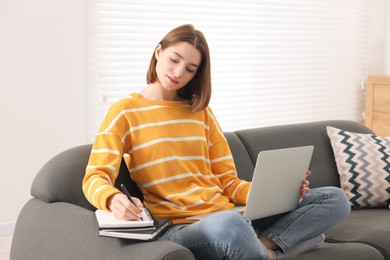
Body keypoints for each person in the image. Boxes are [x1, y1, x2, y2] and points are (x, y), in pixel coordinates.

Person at [83, 24, 351, 259]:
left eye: (189, 69)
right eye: (174, 60)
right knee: (230, 227)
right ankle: (278, 250)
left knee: (335, 198)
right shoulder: (124, 112)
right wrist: (112, 198)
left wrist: (281, 192)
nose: (178, 73)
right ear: (157, 52)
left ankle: (259, 245)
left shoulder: (201, 112)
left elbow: (228, 183)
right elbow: (94, 177)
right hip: (182, 227)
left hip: (231, 214)